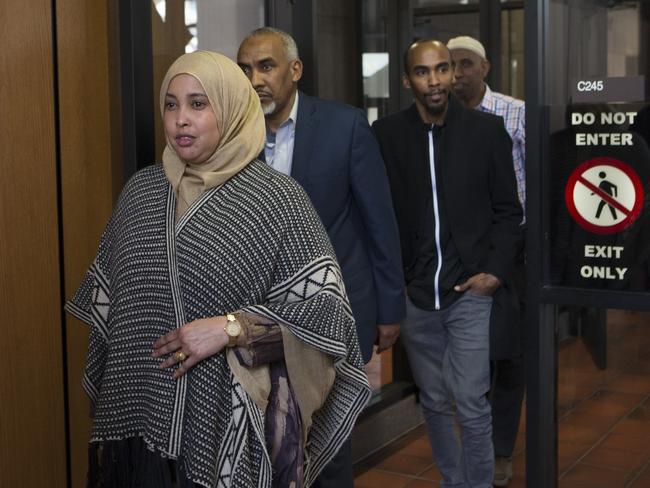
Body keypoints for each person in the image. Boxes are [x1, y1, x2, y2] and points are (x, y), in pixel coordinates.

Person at [65, 50, 371, 488]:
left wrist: (231, 328)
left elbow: (328, 317)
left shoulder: (277, 198)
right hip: (137, 422)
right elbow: (112, 311)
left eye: (198, 103)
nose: (181, 119)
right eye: (171, 104)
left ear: (230, 108)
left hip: (225, 432)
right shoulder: (141, 192)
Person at [237, 27, 405, 488]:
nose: (254, 80)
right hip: (260, 316)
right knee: (266, 441)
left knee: (328, 445)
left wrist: (390, 309)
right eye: (245, 69)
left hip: (336, 312)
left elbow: (379, 222)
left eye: (265, 67)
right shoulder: (232, 135)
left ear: (295, 70)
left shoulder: (344, 125)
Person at [372, 40, 522, 488]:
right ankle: (453, 482)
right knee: (435, 401)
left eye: (442, 69)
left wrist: (494, 272)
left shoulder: (486, 131)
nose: (435, 80)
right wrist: (393, 285)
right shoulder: (387, 136)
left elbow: (508, 211)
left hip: (470, 292)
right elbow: (380, 215)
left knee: (472, 400)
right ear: (407, 80)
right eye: (423, 72)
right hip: (416, 296)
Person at [447, 35, 526, 487]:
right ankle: (474, 447)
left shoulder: (516, 113)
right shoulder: (441, 120)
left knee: (509, 357)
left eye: (465, 65)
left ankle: (500, 452)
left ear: (486, 66)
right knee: (470, 361)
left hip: (512, 253)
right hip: (462, 256)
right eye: (450, 66)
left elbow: (531, 185)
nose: (457, 74)